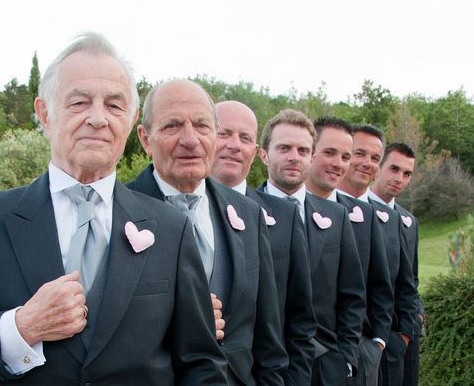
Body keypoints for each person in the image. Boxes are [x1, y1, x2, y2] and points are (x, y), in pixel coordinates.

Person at [0, 32, 227, 385]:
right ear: (45, 113)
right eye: (79, 103)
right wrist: (22, 326)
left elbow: (200, 362)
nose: (98, 119)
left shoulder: (170, 228)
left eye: (115, 105)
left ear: (131, 121)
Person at [128, 80, 288, 385]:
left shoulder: (248, 214)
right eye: (172, 126)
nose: (190, 140)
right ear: (145, 139)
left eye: (202, 126)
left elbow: (268, 335)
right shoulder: (117, 213)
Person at [211, 100, 316, 385]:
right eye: (224, 133)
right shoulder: (167, 210)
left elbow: (299, 317)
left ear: (255, 151)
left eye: (245, 137)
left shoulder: (283, 216)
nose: (234, 145)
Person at [258, 109, 366, 386]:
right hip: (264, 366)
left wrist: (347, 358)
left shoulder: (336, 216)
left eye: (302, 150)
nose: (294, 156)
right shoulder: (246, 212)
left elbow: (352, 293)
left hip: (327, 364)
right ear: (263, 154)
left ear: (311, 156)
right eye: (284, 148)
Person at [306, 117, 393, 386]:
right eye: (330, 152)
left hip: (348, 355)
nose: (338, 163)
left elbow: (379, 283)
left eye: (345, 155)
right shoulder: (269, 208)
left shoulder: (364, 215)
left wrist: (373, 344)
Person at [337, 126, 416, 386]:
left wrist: (384, 340)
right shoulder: (304, 207)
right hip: (317, 348)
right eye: (358, 153)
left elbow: (401, 282)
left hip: (369, 345)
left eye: (374, 157)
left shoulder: (390, 219)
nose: (367, 163)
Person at [369, 143, 422, 386]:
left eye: (407, 173)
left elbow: (412, 278)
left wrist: (410, 328)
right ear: (378, 167)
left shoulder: (409, 221)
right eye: (394, 169)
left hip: (405, 334)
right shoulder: (353, 212)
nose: (399, 178)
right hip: (372, 336)